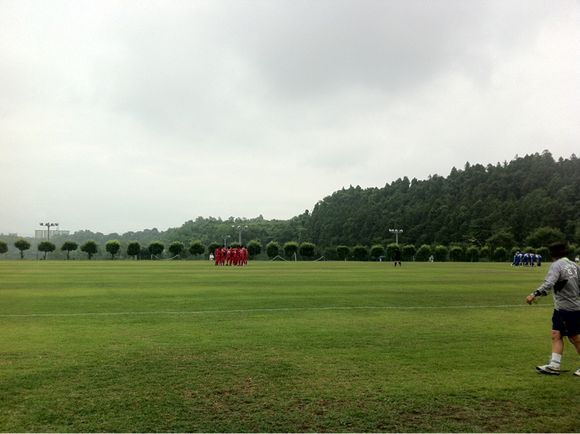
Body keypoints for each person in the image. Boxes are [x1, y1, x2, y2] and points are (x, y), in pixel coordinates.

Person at [526, 242, 580, 376]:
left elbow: (549, 283)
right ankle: (554, 365)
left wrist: (535, 294)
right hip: (564, 307)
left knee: (575, 338)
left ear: (551, 254)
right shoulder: (574, 265)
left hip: (567, 308)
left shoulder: (557, 265)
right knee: (556, 334)